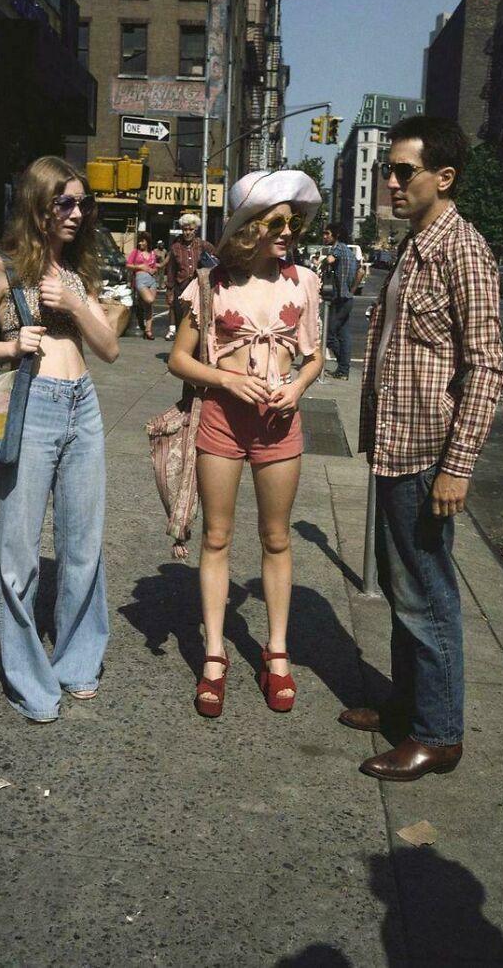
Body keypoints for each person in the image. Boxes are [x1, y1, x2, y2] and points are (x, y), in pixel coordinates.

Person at [340, 116, 503, 780]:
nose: (392, 181)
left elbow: (488, 365)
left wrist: (457, 466)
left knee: (426, 595)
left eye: (404, 171)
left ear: (444, 177)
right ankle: (406, 705)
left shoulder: (461, 248)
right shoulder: (415, 244)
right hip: (395, 448)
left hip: (427, 456)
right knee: (401, 582)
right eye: (389, 170)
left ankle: (438, 734)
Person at [0, 156, 119, 723]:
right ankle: (28, 677)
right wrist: (10, 346)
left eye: (83, 203)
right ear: (38, 204)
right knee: (19, 552)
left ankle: (77, 662)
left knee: (83, 546)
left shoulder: (76, 269)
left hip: (84, 406)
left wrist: (74, 301)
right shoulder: (2, 268)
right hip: (33, 409)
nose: (77, 213)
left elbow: (110, 348)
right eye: (65, 202)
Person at [168, 170, 323, 718]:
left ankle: (276, 655)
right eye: (278, 222)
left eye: (293, 222)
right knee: (216, 536)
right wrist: (227, 380)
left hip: (280, 424)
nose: (289, 231)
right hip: (221, 421)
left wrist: (298, 386)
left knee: (277, 539)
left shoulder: (302, 281)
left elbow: (314, 356)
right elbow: (179, 359)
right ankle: (215, 656)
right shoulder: (212, 285)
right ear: (249, 228)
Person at [165, 213, 215, 341]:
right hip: (181, 288)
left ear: (195, 230)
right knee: (181, 319)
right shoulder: (175, 247)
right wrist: (169, 291)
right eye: (185, 229)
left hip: (199, 289)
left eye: (190, 229)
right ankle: (181, 350)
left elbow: (216, 259)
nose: (187, 232)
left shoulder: (203, 245)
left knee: (198, 320)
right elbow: (171, 270)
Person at [322, 224, 363, 380]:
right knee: (344, 335)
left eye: (327, 233)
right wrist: (352, 290)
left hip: (340, 299)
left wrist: (323, 264)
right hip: (347, 298)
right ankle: (343, 372)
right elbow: (361, 271)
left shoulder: (337, 248)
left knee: (329, 335)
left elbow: (329, 260)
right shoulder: (350, 252)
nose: (325, 236)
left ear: (336, 235)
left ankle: (343, 367)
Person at [127, 231, 158, 339]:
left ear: (147, 242)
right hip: (140, 279)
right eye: (139, 241)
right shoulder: (135, 252)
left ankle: (148, 331)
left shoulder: (153, 253)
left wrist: (154, 270)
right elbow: (128, 265)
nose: (141, 243)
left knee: (149, 305)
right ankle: (140, 304)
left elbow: (154, 266)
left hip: (152, 280)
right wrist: (140, 267)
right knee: (149, 300)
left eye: (143, 241)